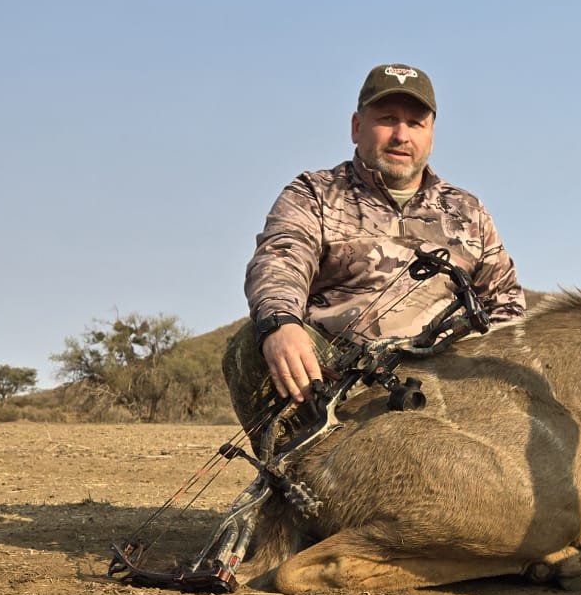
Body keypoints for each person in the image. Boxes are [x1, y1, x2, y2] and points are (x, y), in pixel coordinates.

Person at [222, 63, 524, 433]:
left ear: (430, 135)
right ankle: (299, 477)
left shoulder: (469, 211)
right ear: (356, 127)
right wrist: (281, 324)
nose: (401, 135)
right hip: (332, 379)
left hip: (442, 388)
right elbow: (281, 259)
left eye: (416, 124)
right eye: (387, 119)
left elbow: (506, 306)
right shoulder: (314, 192)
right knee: (252, 345)